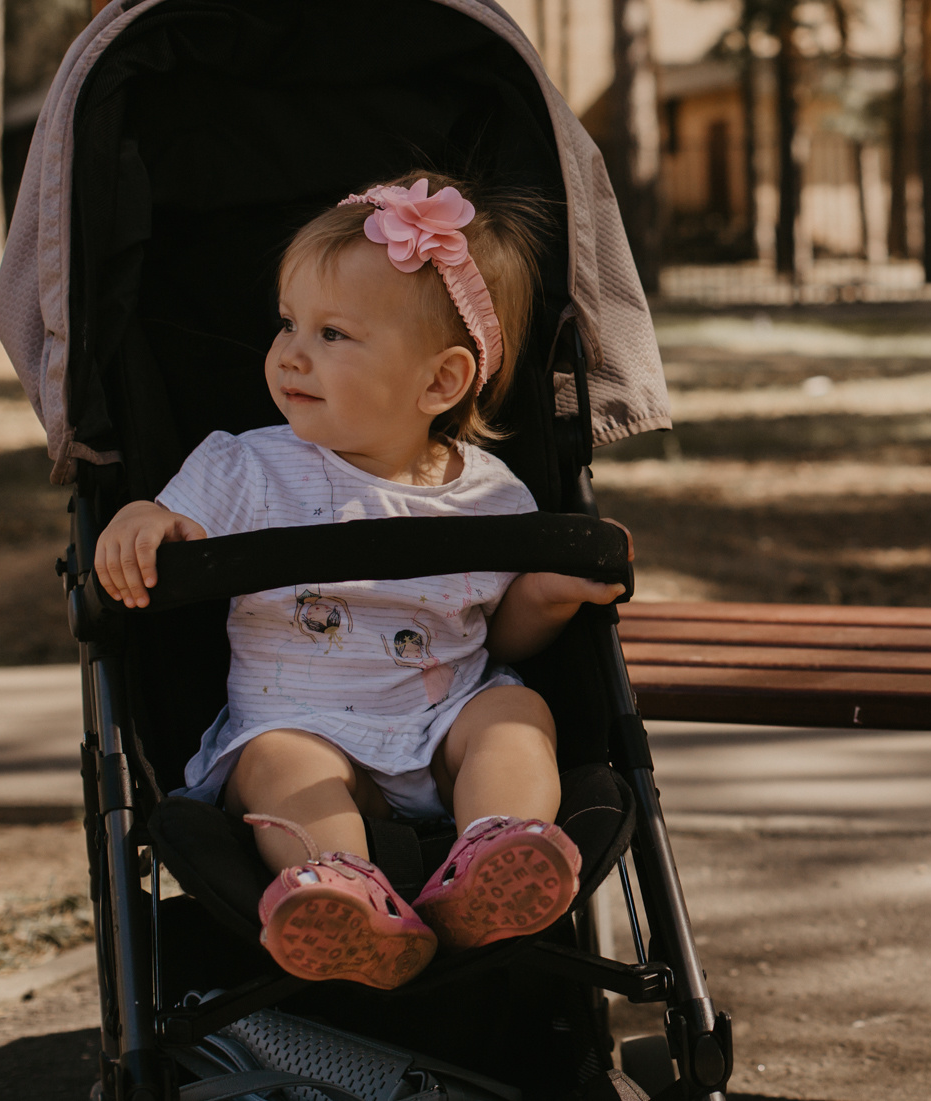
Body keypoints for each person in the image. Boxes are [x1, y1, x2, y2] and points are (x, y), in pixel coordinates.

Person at [95, 174, 626, 991]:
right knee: (277, 763)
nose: (290, 352)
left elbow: (501, 634)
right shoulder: (246, 466)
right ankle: (341, 890)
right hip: (302, 723)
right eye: (288, 322)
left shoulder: (492, 497)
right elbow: (174, 525)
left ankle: (493, 852)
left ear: (440, 383)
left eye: (333, 333)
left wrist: (546, 596)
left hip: (443, 723)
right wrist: (142, 518)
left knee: (517, 713)